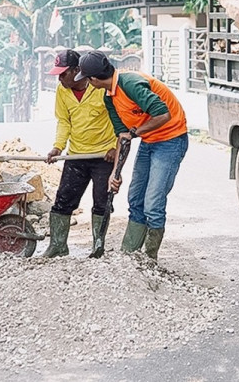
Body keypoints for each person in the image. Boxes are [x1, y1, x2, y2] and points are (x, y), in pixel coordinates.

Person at [74, 50, 188, 260]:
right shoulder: (110, 97)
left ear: (94, 79)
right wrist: (115, 173)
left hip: (171, 140)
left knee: (153, 203)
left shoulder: (130, 84)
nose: (87, 83)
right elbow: (123, 137)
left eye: (87, 79)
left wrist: (136, 132)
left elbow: (163, 114)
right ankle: (129, 256)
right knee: (135, 198)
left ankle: (149, 259)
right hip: (149, 140)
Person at [42, 49, 117, 258]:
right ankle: (58, 246)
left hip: (103, 156)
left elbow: (119, 119)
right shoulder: (62, 90)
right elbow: (64, 121)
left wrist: (115, 147)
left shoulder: (100, 86)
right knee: (63, 201)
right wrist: (58, 147)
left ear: (76, 71)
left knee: (102, 202)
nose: (59, 78)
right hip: (76, 155)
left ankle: (98, 246)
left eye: (63, 73)